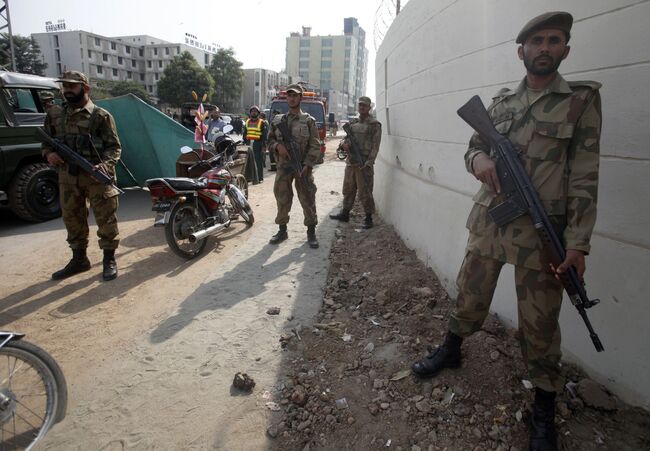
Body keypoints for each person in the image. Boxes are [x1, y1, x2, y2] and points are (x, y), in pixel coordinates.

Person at [411, 12, 601, 451]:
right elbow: (475, 146)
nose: (544, 48)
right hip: (491, 222)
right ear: (522, 51)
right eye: (536, 41)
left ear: (565, 50)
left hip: (542, 232)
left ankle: (544, 406)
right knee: (469, 294)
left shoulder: (581, 101)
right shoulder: (499, 105)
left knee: (540, 322)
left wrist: (577, 242)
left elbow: (586, 175)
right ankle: (452, 348)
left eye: (554, 41)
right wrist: (478, 161)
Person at [42, 70, 123, 281]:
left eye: (72, 86)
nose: (67, 90)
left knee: (106, 220)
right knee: (72, 219)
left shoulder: (100, 116)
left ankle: (109, 260)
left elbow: (114, 147)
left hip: (96, 177)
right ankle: (79, 260)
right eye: (65, 86)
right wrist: (49, 154)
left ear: (85, 88)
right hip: (68, 177)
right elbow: (46, 141)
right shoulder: (55, 115)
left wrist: (105, 166)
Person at [267, 84, 321, 249]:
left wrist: (308, 164)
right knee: (282, 198)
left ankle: (311, 232)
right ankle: (282, 230)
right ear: (287, 98)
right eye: (289, 95)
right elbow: (269, 141)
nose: (292, 98)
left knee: (307, 197)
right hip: (284, 167)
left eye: (295, 95)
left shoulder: (309, 121)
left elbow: (315, 145)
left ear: (300, 98)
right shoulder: (278, 121)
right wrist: (277, 146)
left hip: (302, 167)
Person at [329, 96, 382, 229]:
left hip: (364, 164)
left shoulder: (374, 124)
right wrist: (344, 144)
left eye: (364, 105)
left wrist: (369, 163)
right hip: (351, 162)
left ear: (369, 108)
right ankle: (345, 213)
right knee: (348, 189)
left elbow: (376, 146)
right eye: (360, 105)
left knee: (365, 192)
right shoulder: (352, 124)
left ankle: (368, 218)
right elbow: (344, 140)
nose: (362, 107)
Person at [243, 106, 268, 182]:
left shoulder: (262, 122)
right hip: (248, 143)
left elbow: (264, 135)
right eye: (252, 111)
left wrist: (264, 146)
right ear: (250, 113)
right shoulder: (247, 121)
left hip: (258, 143)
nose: (253, 112)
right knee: (248, 161)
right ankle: (250, 178)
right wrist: (244, 141)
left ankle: (260, 178)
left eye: (255, 111)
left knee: (258, 161)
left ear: (258, 113)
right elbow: (245, 133)